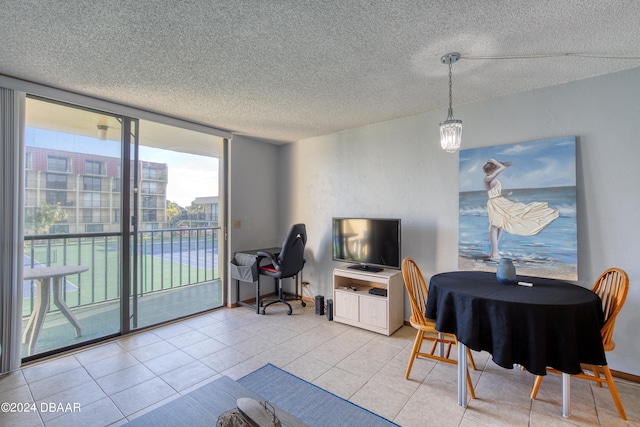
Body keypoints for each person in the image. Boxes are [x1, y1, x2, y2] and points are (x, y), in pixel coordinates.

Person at [483, 158, 559, 259]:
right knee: (494, 225)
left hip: (500, 201)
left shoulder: (492, 179)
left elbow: (496, 191)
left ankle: (494, 252)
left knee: (501, 224)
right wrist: (496, 162)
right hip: (495, 202)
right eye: (491, 169)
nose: (491, 171)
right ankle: (494, 252)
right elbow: (502, 168)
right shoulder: (488, 178)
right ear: (490, 170)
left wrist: (506, 196)